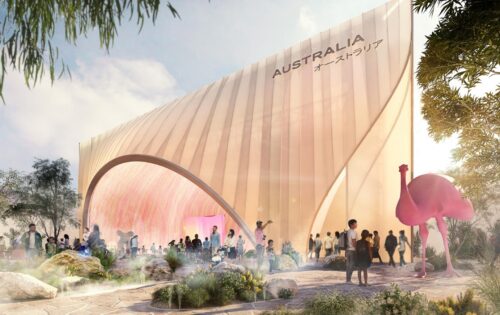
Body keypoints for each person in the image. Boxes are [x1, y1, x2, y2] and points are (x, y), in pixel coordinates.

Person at [346, 219, 358, 283]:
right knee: (352, 265)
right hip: (352, 250)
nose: (356, 225)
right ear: (351, 225)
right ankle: (349, 279)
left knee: (348, 265)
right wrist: (356, 249)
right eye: (355, 223)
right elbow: (354, 242)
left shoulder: (348, 231)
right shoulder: (353, 232)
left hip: (347, 250)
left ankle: (347, 279)